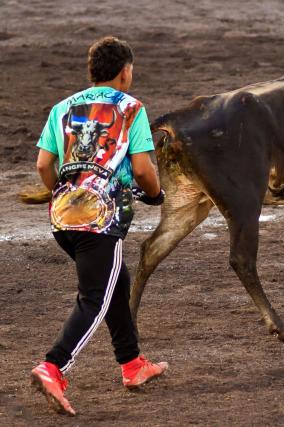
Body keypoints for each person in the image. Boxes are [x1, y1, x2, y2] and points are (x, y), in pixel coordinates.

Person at [30, 36, 168, 416]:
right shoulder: (130, 108)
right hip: (99, 218)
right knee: (95, 298)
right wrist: (156, 195)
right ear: (125, 72)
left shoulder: (61, 108)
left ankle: (132, 364)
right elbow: (142, 169)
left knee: (115, 284)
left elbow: (44, 165)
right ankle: (53, 366)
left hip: (62, 218)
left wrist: (63, 192)